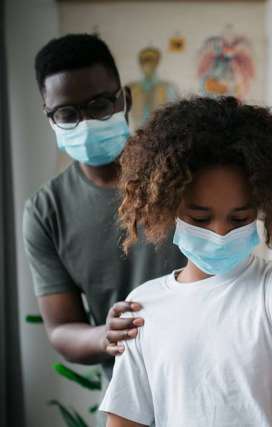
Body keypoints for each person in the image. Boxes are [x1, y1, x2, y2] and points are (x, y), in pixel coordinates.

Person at [99, 96, 272, 427]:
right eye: (201, 219)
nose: (219, 233)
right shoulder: (143, 306)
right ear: (168, 207)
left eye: (239, 218)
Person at [23, 34, 184, 387]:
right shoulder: (46, 211)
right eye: (67, 113)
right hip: (127, 398)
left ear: (123, 99)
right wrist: (105, 335)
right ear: (50, 117)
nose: (86, 122)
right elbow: (62, 329)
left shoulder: (180, 173)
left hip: (211, 380)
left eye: (98, 106)